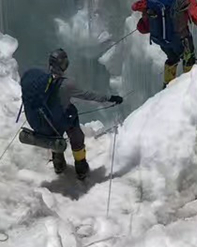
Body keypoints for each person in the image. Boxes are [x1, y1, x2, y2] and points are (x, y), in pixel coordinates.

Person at [20, 49, 122, 179]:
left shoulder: (40, 82)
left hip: (41, 123)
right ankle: (81, 166)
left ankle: (58, 164)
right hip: (58, 122)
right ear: (62, 65)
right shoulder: (66, 84)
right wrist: (111, 98)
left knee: (54, 128)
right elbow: (89, 95)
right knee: (74, 125)